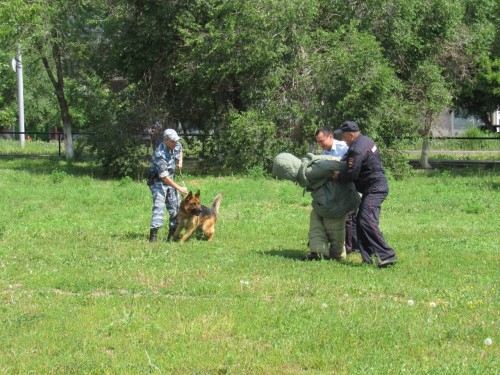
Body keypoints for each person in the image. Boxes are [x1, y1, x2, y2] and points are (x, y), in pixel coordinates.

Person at [332, 121, 397, 267]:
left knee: (366, 221)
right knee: (362, 222)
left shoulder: (357, 148)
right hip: (373, 187)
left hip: (374, 188)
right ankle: (368, 257)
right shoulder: (365, 140)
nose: (343, 140)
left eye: (344, 136)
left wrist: (338, 176)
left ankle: (387, 254)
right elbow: (347, 159)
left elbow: (351, 173)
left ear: (351, 134)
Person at [272, 152, 360, 261]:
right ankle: (318, 253)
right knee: (315, 226)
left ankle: (337, 256)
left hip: (336, 203)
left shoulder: (311, 170)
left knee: (334, 230)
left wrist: (346, 170)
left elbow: (333, 165)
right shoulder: (305, 171)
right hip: (323, 203)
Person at [315, 127, 358, 254]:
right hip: (336, 189)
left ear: (331, 137)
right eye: (318, 142)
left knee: (349, 217)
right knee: (342, 218)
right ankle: (346, 245)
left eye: (322, 141)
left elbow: (353, 166)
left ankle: (351, 247)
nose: (320, 144)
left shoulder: (344, 147)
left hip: (350, 186)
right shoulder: (323, 156)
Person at [148, 129, 188, 242]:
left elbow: (180, 149)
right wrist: (180, 188)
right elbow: (164, 177)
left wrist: (180, 161)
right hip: (158, 182)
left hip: (170, 180)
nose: (175, 143)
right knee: (159, 207)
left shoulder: (176, 144)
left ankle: (172, 234)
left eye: (176, 140)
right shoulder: (159, 154)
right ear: (165, 140)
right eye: (172, 141)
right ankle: (153, 237)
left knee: (176, 206)